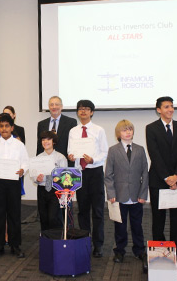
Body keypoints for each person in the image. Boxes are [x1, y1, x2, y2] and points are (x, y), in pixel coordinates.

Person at [145, 96, 177, 264]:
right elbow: (154, 154)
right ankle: (159, 250)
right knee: (158, 217)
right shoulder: (151, 128)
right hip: (158, 179)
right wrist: (166, 177)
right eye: (166, 107)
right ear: (158, 110)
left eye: (172, 106)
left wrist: (176, 176)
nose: (170, 109)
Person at [0, 113, 29, 258]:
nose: (4, 129)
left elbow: (26, 162)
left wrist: (23, 170)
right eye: (1, 126)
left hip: (13, 182)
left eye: (7, 126)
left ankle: (15, 245)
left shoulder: (19, 145)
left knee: (14, 214)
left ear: (12, 127)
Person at [68, 99, 108, 257]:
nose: (83, 111)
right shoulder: (73, 131)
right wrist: (71, 155)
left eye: (86, 109)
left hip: (95, 172)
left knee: (97, 211)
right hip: (80, 173)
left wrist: (94, 160)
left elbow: (104, 152)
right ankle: (85, 241)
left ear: (92, 112)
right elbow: (71, 150)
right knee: (82, 210)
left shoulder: (99, 130)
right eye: (80, 109)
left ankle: (98, 245)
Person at [104, 120, 148, 264]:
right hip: (119, 195)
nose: (128, 132)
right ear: (119, 133)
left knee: (137, 225)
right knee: (120, 226)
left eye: (130, 129)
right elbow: (108, 174)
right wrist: (111, 193)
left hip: (136, 195)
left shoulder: (140, 149)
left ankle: (139, 250)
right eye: (124, 130)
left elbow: (145, 173)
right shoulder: (113, 150)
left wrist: (143, 194)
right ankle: (120, 251)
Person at [34, 130, 67, 231]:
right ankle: (46, 242)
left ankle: (57, 241)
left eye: (48, 139)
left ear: (54, 142)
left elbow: (64, 178)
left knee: (54, 217)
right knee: (43, 217)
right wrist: (37, 179)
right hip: (42, 189)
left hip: (55, 190)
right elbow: (35, 177)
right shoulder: (38, 158)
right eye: (43, 140)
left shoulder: (60, 158)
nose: (45, 142)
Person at [37, 96, 77, 161]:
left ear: (61, 106)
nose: (54, 107)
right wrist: (38, 161)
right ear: (49, 107)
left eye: (57, 104)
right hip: (46, 161)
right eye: (51, 105)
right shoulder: (41, 124)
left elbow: (73, 143)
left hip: (64, 161)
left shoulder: (71, 122)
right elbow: (39, 145)